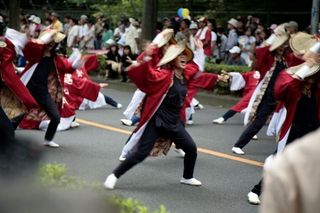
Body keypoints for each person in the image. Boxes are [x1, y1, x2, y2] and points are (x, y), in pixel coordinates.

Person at [104, 42, 202, 190]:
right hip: (157, 121)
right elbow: (147, 75)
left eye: (184, 55)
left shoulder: (185, 75)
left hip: (174, 123)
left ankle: (187, 177)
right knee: (141, 153)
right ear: (171, 59)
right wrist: (148, 56)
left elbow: (198, 70)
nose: (183, 57)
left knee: (191, 149)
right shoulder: (164, 76)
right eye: (179, 55)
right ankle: (114, 175)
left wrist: (201, 51)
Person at [232, 24, 303, 155]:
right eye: (280, 45)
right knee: (259, 122)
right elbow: (261, 51)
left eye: (284, 45)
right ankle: (238, 144)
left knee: (288, 124)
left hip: (281, 98)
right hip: (268, 96)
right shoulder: (269, 59)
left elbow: (300, 58)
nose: (282, 48)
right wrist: (274, 35)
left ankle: (281, 152)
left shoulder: (286, 59)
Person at [19, 29, 79, 148]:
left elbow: (68, 67)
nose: (52, 44)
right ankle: (8, 135)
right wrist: (45, 38)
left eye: (54, 42)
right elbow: (30, 47)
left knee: (56, 117)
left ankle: (48, 139)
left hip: (42, 91)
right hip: (27, 89)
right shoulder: (35, 54)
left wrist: (78, 60)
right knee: (18, 114)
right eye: (50, 41)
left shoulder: (54, 58)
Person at [260, 128, 320, 213]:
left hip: (307, 132)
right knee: (284, 165)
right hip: (298, 129)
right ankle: (256, 190)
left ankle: (257, 190)